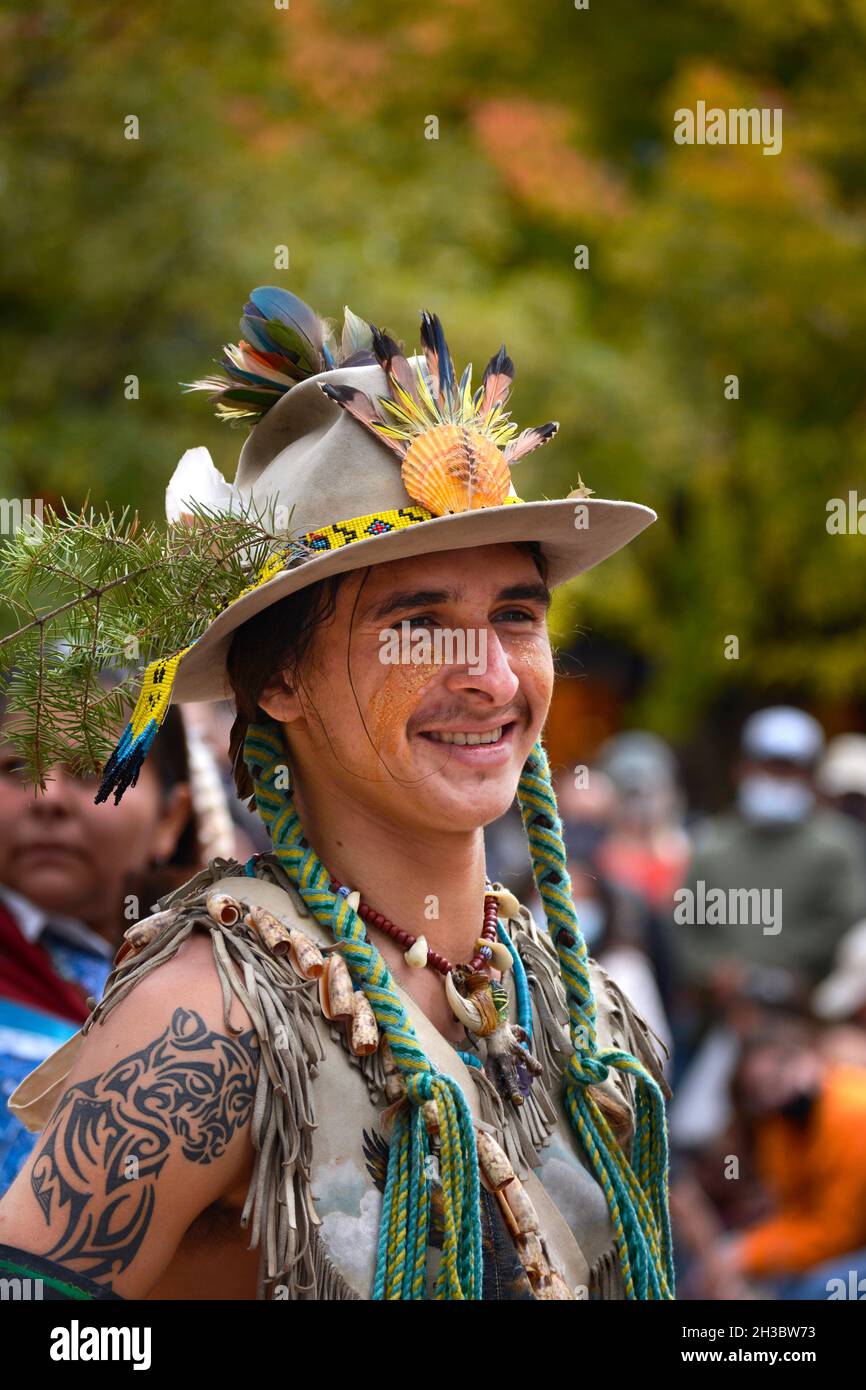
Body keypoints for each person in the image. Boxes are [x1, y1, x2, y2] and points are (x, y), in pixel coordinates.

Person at [0, 287, 672, 1301]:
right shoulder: (209, 1024)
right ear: (279, 681)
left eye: (515, 614)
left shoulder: (573, 1004)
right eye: (417, 623)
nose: (488, 673)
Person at [704, 1017, 866, 1300]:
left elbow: (840, 1233)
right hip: (834, 1243)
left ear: (808, 1058)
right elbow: (794, 1210)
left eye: (777, 1077)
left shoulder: (852, 1113)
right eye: (760, 1087)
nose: (772, 1093)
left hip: (850, 1246)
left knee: (814, 1290)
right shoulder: (778, 1122)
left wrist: (750, 1254)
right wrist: (743, 1251)